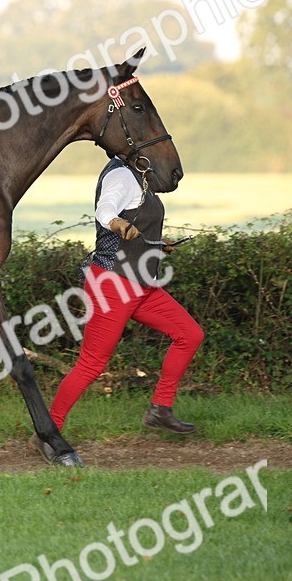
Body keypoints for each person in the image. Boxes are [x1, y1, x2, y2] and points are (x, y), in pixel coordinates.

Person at [34, 155, 205, 465]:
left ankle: (160, 409)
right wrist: (117, 222)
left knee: (190, 334)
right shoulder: (121, 175)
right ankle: (49, 432)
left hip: (142, 285)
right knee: (91, 365)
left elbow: (137, 228)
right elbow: (105, 210)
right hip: (114, 284)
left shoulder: (140, 174)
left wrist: (157, 244)